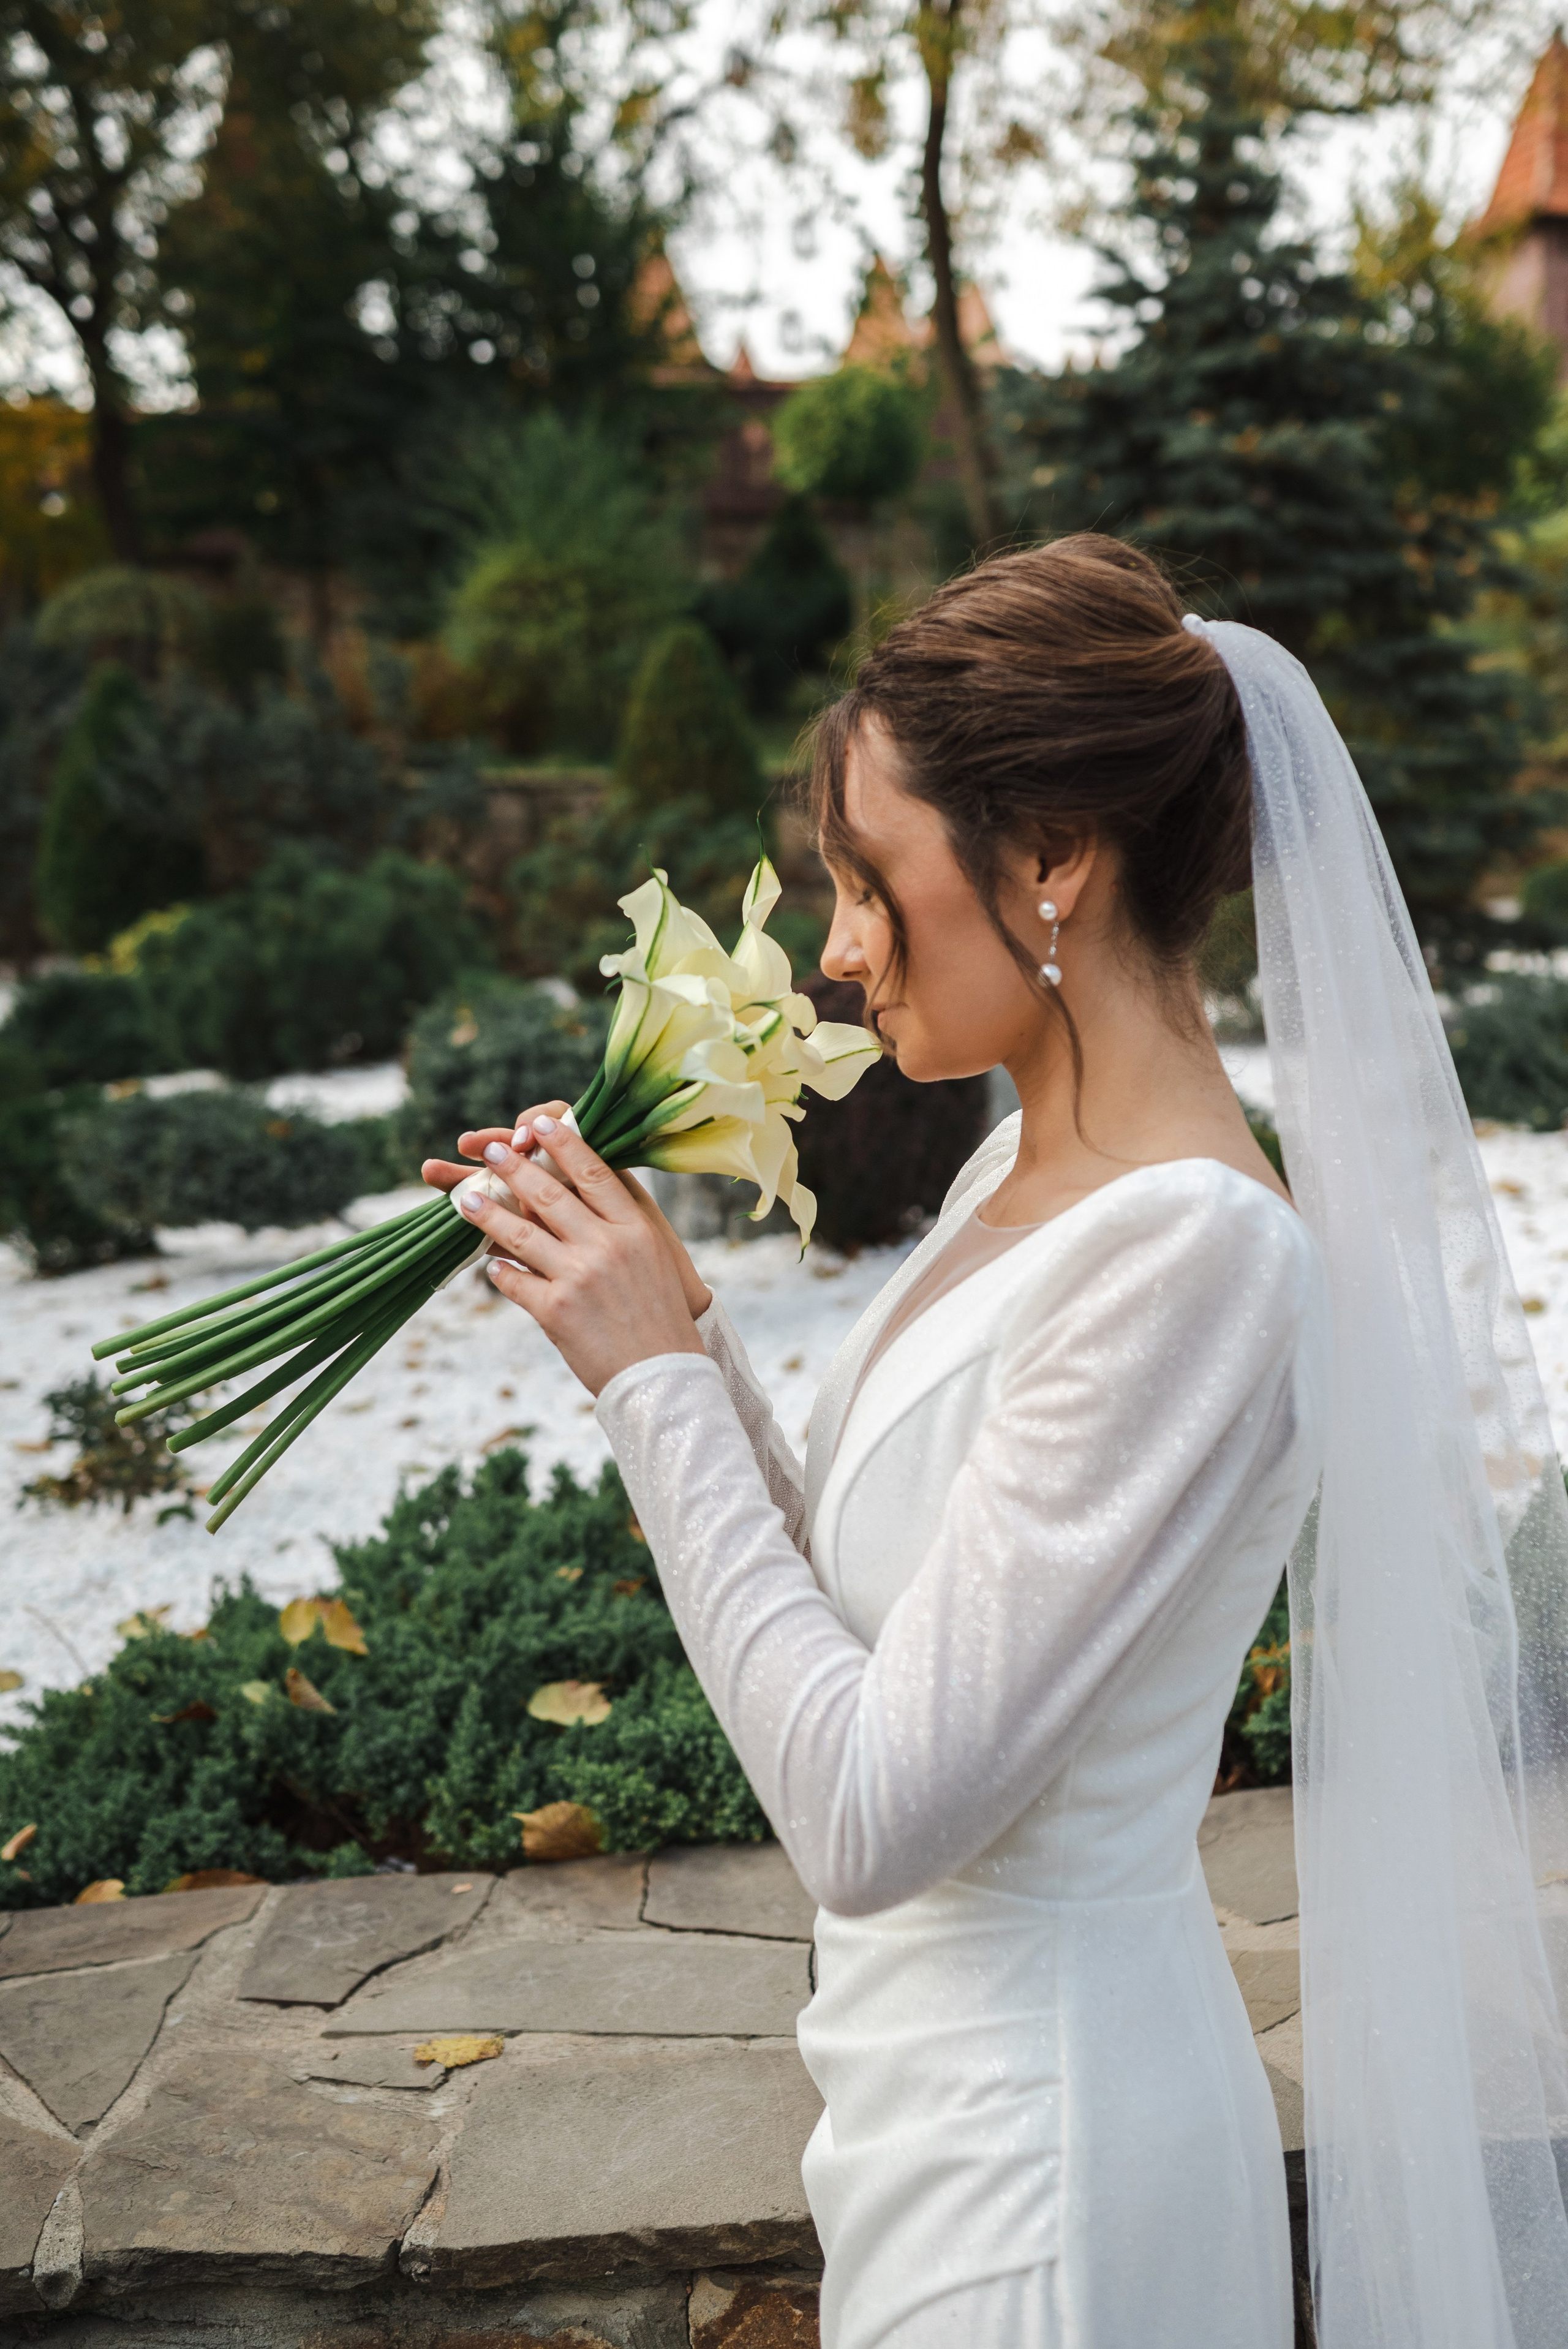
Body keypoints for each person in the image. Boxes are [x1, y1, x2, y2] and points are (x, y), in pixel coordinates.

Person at [424, 537, 1568, 2349]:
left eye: (869, 881)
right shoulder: (1018, 1166)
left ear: (1050, 856)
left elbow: (874, 1809)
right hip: (924, 2122)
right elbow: (897, 1613)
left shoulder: (1194, 1253)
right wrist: (658, 1323)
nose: (835, 946)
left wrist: (654, 1389)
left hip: (1046, 2176)